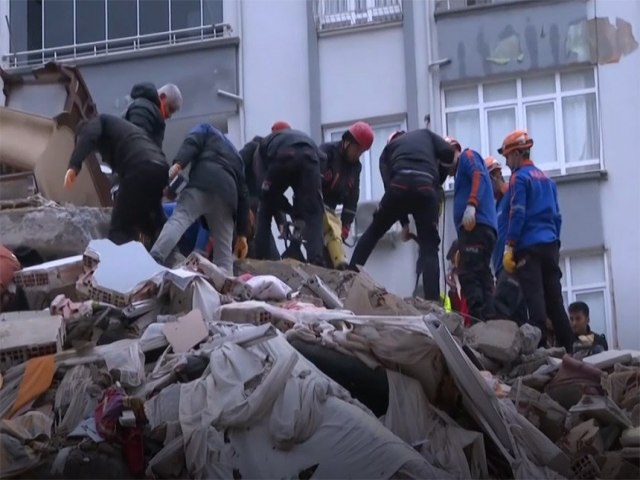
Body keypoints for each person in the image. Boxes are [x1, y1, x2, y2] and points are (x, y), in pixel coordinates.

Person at [349, 128, 454, 301]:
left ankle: (349, 277)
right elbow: (448, 152)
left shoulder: (387, 152)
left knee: (374, 232)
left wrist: (403, 221)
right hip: (426, 188)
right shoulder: (425, 135)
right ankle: (433, 302)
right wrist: (438, 182)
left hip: (398, 186)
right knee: (429, 247)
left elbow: (390, 187)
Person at [499, 129, 573, 352]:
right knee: (555, 302)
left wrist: (510, 245)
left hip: (529, 248)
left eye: (507, 156)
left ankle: (540, 350)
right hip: (550, 246)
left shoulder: (518, 178)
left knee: (535, 300)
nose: (506, 162)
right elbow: (557, 217)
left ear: (517, 154)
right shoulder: (547, 180)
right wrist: (555, 243)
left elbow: (518, 212)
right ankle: (571, 348)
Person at [150, 123, 249, 274]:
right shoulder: (236, 156)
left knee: (180, 219)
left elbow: (192, 143)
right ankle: (224, 286)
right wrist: (242, 234)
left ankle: (155, 259)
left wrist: (179, 163)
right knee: (223, 251)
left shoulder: (205, 128)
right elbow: (243, 194)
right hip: (227, 196)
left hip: (202, 183)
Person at [64, 114, 169, 246]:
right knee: (152, 220)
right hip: (160, 168)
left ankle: (117, 261)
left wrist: (74, 165)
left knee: (120, 227)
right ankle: (171, 254)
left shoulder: (97, 122)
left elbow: (89, 135)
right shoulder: (125, 130)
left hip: (139, 168)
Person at [252, 123, 325, 265]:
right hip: (310, 157)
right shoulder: (301, 136)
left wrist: (287, 208)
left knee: (266, 204)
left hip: (282, 158)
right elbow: (322, 159)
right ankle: (316, 258)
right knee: (314, 211)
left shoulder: (263, 144)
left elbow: (264, 189)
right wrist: (301, 205)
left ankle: (260, 256)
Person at [446, 137, 497, 322]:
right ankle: (489, 319)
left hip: (476, 226)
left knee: (468, 273)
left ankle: (479, 319)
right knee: (482, 273)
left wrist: (472, 204)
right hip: (481, 228)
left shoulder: (468, 156)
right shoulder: (460, 172)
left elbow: (479, 175)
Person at [319, 121, 374, 269]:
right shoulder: (327, 152)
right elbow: (312, 181)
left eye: (361, 152)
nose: (357, 154)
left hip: (330, 208)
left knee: (333, 236)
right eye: (356, 149)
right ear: (347, 142)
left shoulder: (355, 168)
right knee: (327, 234)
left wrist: (346, 225)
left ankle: (337, 267)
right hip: (314, 202)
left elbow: (352, 199)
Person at [486, 156, 528, 324]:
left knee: (500, 311)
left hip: (511, 266)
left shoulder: (510, 196)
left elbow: (520, 215)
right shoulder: (495, 207)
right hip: (500, 269)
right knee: (516, 316)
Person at [124, 82, 183, 148]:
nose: (169, 116)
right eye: (170, 109)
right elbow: (137, 144)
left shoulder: (147, 110)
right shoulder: (143, 109)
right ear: (162, 97)